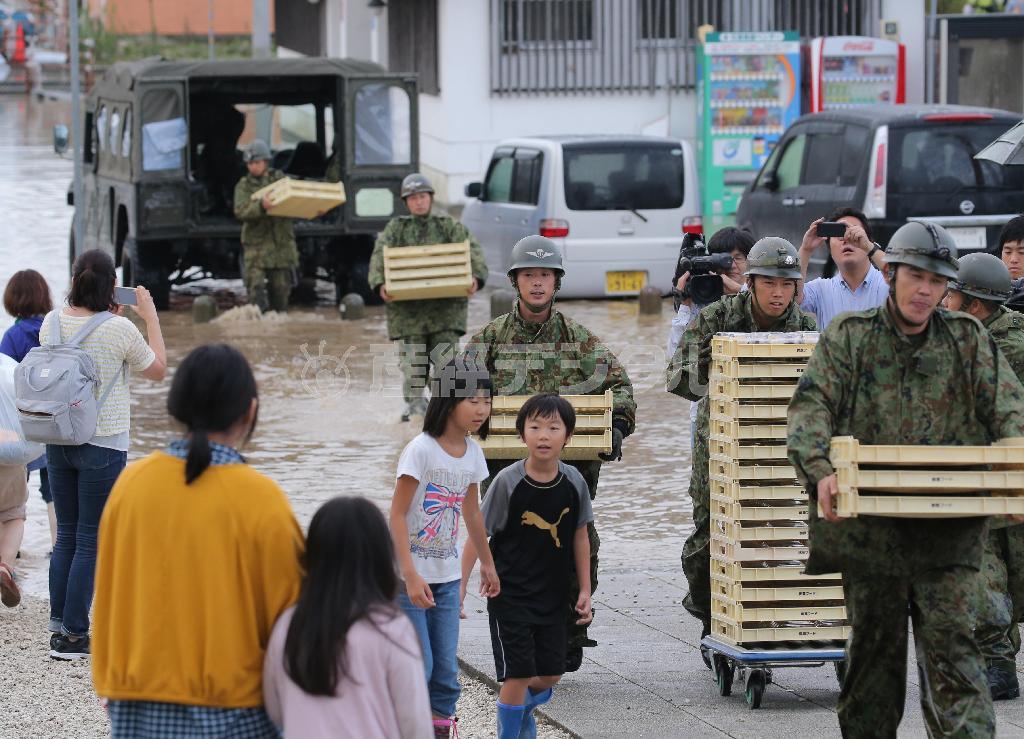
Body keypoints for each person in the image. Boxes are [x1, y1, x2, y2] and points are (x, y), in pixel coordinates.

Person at [788, 220, 1024, 737]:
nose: (925, 290)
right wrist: (820, 471)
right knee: (873, 672)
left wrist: (1013, 460)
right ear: (891, 272)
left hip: (949, 536)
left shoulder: (968, 341)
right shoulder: (850, 339)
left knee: (958, 666)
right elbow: (810, 412)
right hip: (873, 537)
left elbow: (1010, 409)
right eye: (915, 275)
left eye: (937, 281)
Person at [92, 343, 303, 737]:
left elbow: (110, 594)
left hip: (135, 704)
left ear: (176, 407)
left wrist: (111, 683)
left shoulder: (131, 486)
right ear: (250, 411)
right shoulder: (262, 499)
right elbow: (289, 621)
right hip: (236, 710)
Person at [462, 234, 636, 672]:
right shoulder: (490, 340)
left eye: (544, 275)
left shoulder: (579, 341)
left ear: (555, 282)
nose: (536, 283)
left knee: (581, 554)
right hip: (507, 479)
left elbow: (622, 386)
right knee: (510, 557)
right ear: (516, 282)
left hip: (568, 479)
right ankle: (517, 635)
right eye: (528, 276)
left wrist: (617, 425)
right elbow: (452, 388)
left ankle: (571, 629)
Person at [666, 236, 816, 651]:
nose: (779, 293)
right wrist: (728, 369)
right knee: (709, 535)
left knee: (780, 531)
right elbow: (678, 379)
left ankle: (773, 617)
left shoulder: (803, 327)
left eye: (787, 285)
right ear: (751, 282)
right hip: (721, 441)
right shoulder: (718, 318)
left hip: (777, 442)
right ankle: (710, 613)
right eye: (770, 283)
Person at [43, 249, 166, 660]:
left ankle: (58, 625)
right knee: (90, 540)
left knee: (67, 536)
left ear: (75, 279)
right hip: (103, 441)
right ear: (111, 287)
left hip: (57, 438)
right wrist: (149, 317)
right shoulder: (119, 329)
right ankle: (75, 638)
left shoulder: (51, 322)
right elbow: (158, 369)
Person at [462, 393, 592, 739]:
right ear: (523, 435)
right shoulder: (507, 481)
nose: (544, 435)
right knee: (517, 674)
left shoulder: (574, 482)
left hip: (553, 595)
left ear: (568, 436)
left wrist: (585, 590)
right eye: (534, 427)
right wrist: (459, 586)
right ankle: (511, 728)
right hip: (510, 594)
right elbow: (477, 532)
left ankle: (519, 711)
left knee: (551, 674)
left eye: (553, 427)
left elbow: (580, 537)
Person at [388, 358, 499, 738]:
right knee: (418, 665)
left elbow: (473, 515)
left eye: (487, 400)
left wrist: (486, 564)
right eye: (473, 399)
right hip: (410, 580)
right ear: (448, 400)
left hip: (448, 581)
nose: (482, 409)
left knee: (446, 673)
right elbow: (397, 516)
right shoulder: (420, 450)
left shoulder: (472, 454)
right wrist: (409, 574)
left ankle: (439, 729)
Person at [263, 496, 433, 738]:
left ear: (312, 557)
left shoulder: (289, 624)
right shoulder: (391, 628)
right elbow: (415, 724)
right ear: (382, 556)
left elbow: (276, 710)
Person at [943, 251, 1024, 700]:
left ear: (974, 304)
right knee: (991, 570)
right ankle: (997, 661)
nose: (944, 302)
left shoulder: (1001, 348)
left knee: (994, 572)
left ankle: (997, 662)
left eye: (951, 295)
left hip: (1003, 480)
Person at [368, 173, 489, 422]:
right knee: (413, 370)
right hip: (408, 316)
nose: (418, 202)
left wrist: (476, 277)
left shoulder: (448, 226)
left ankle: (444, 417)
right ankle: (414, 416)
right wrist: (380, 283)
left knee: (446, 370)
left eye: (422, 196)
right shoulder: (396, 229)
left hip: (445, 314)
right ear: (406, 202)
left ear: (431, 198)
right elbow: (379, 256)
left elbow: (473, 250)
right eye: (412, 198)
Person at [0, 268, 54, 547]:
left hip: (21, 422)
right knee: (53, 487)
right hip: (53, 419)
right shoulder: (54, 330)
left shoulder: (13, 336)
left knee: (14, 489)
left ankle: (12, 552)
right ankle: (58, 544)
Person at [233, 139, 299, 313]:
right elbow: (241, 211)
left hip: (280, 245)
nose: (252, 167)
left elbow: (295, 200)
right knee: (255, 289)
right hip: (257, 247)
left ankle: (277, 327)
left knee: (281, 289)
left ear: (266, 162)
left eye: (256, 162)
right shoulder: (244, 186)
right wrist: (261, 206)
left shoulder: (280, 180)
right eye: (249, 163)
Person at [797, 207, 888, 329]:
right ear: (830, 248)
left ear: (868, 240)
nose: (846, 239)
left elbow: (900, 277)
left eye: (854, 232)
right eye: (839, 233)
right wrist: (806, 249)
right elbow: (793, 298)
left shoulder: (886, 284)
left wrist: (868, 247)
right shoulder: (821, 290)